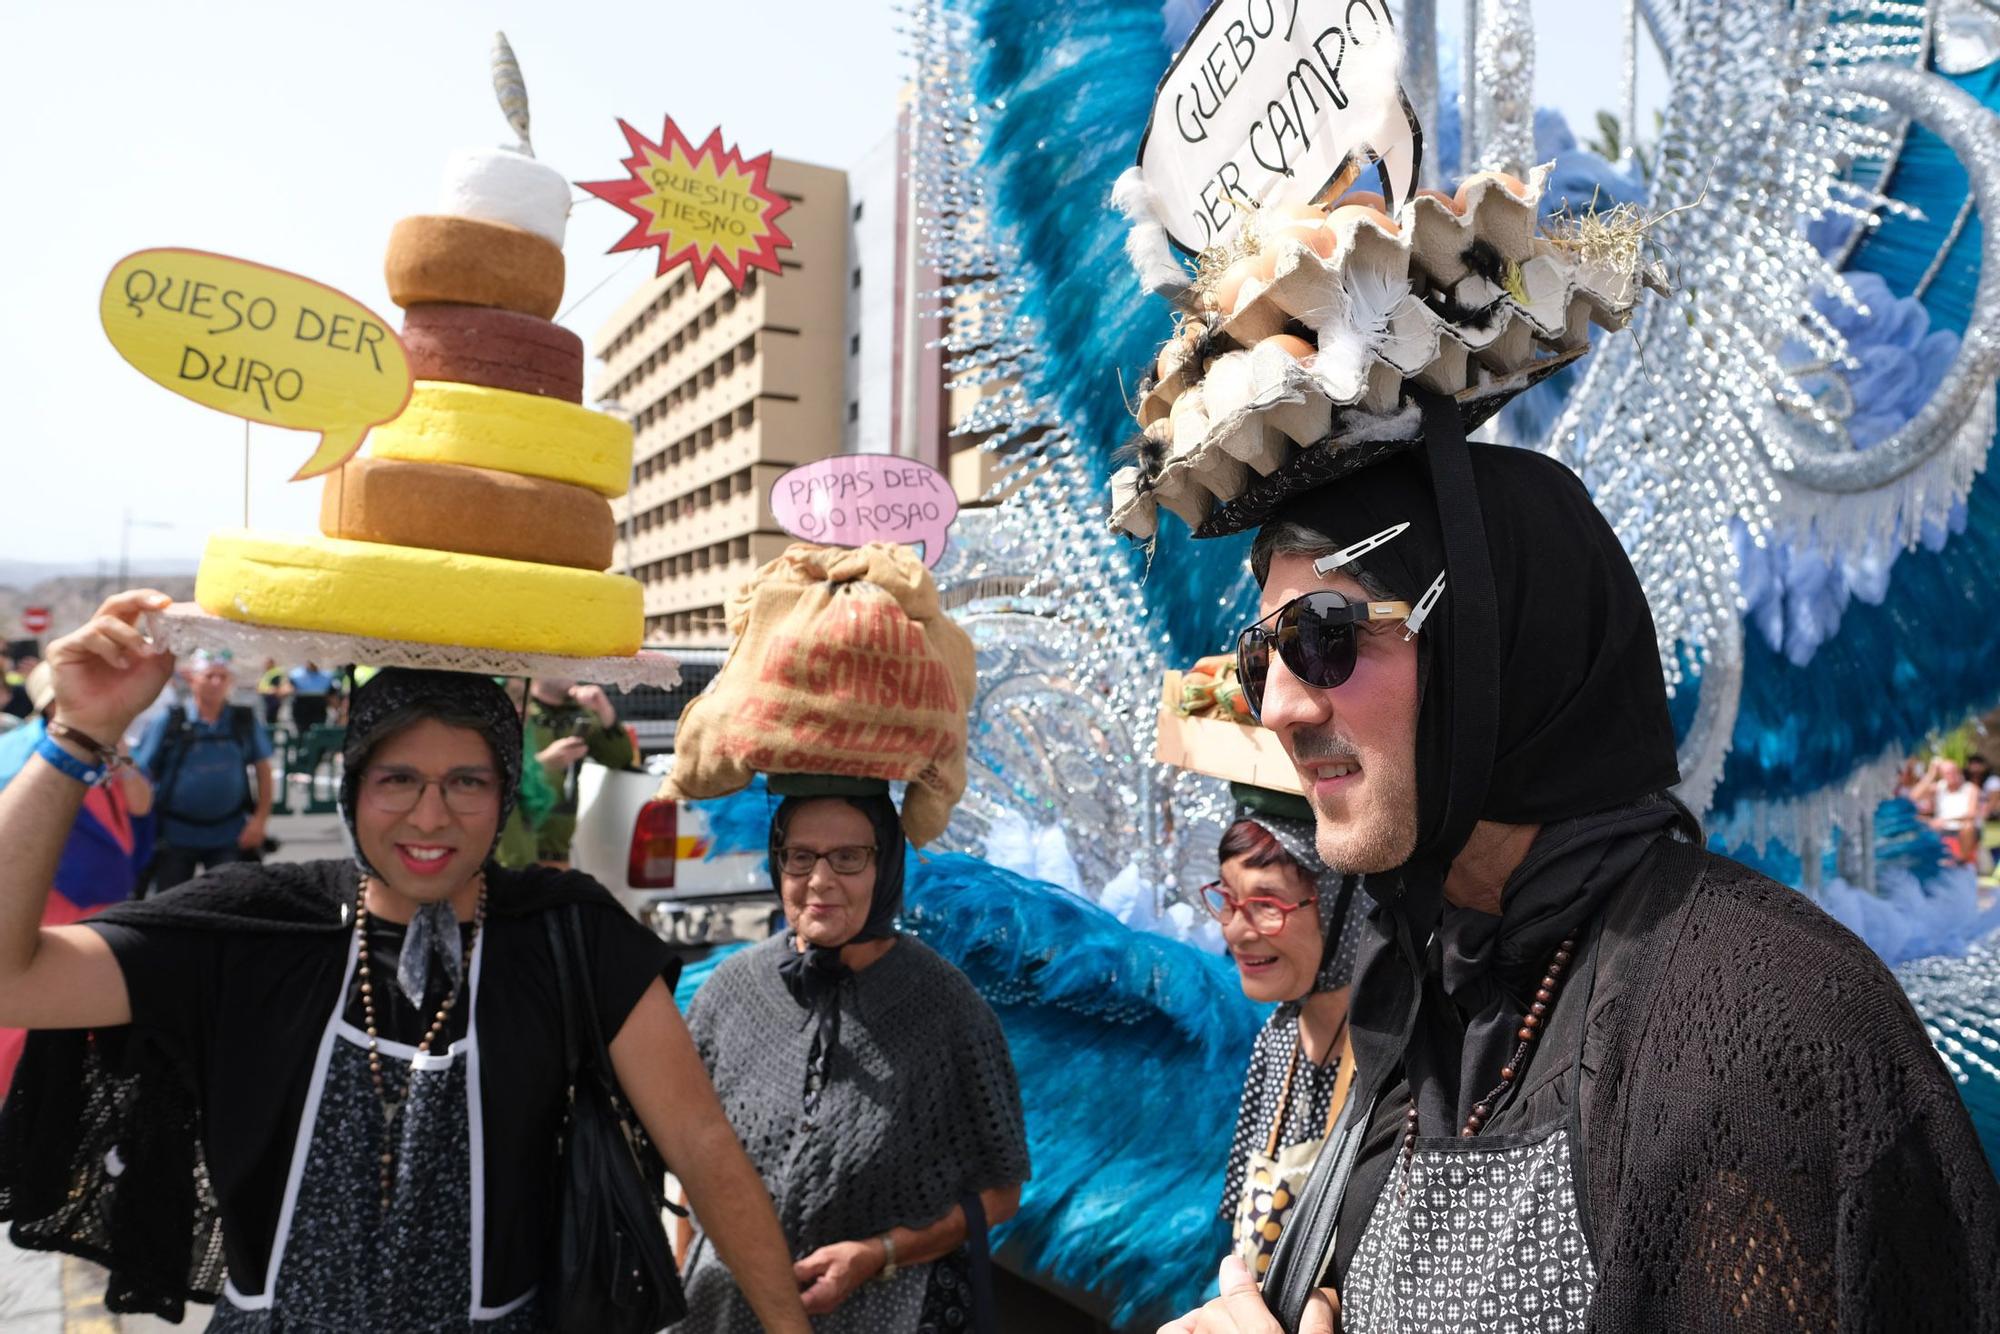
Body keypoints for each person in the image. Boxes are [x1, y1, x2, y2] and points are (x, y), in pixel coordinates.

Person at [1159, 428, 1999, 1333]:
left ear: (1503, 643)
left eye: (1325, 636)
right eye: (1261, 657)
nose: (1278, 705)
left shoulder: (1758, 1033)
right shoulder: (1424, 988)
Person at [0, 591, 813, 1332]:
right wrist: (79, 733)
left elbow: (702, 1145)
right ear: (352, 789)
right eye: (397, 779)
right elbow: (14, 978)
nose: (432, 815)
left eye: (467, 781)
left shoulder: (569, 937)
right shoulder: (249, 931)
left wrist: (786, 1327)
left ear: (505, 798)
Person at [676, 783, 1031, 1332]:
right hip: (725, 1309)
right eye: (800, 857)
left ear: (884, 867)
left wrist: (877, 1254)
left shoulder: (946, 1010)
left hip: (887, 1312)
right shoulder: (729, 993)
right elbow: (692, 1162)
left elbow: (1001, 1192)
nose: (820, 881)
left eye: (848, 858)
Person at [1204, 789, 1361, 1283]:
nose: (1236, 931)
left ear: (1343, 907)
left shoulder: (1394, 1067)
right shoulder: (1276, 1039)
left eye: (1266, 904)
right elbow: (1236, 1221)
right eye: (1229, 899)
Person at [0, 662, 153, 1092]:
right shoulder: (19, 759)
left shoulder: (103, 750)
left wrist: (119, 755)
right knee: (22, 1030)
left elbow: (141, 806)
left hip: (102, 907)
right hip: (42, 911)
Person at [132, 649, 274, 893]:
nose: (217, 683)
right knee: (172, 905)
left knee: (230, 903)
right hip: (175, 835)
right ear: (192, 678)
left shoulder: (242, 721)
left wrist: (260, 820)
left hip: (229, 832)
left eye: (223, 676)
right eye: (209, 676)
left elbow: (263, 770)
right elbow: (141, 772)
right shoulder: (169, 721)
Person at [498, 677, 634, 869]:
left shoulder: (581, 713)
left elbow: (620, 758)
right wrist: (543, 764)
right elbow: (497, 779)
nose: (568, 669)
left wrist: (605, 711)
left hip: (556, 848)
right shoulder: (513, 713)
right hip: (514, 850)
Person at [287, 660, 336, 732]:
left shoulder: (327, 676)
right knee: (302, 732)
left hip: (319, 709)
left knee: (318, 732)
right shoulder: (296, 675)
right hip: (301, 709)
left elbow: (332, 695)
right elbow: (288, 688)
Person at [255, 657, 290, 728]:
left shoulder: (275, 673)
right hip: (267, 699)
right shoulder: (268, 672)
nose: (264, 665)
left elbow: (276, 687)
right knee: (267, 720)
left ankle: (270, 735)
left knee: (271, 721)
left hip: (272, 700)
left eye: (266, 663)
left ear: (271, 663)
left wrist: (268, 691)